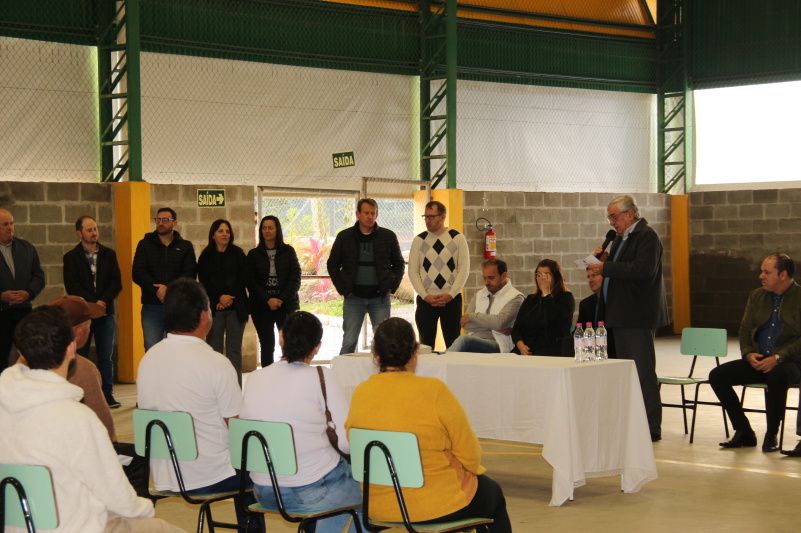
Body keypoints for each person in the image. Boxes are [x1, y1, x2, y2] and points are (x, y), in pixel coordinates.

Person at [0, 306, 182, 532]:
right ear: (71, 348)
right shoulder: (76, 417)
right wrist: (145, 511)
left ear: (22, 353)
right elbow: (117, 496)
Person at [346, 317, 511, 532]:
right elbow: (470, 455)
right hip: (437, 506)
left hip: (379, 507)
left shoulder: (361, 393)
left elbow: (353, 441)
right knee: (492, 493)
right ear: (415, 352)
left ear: (376, 356)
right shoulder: (434, 391)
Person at [136, 278, 263, 532]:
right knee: (260, 464)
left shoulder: (148, 359)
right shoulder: (215, 363)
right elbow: (238, 429)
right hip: (209, 476)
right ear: (205, 315)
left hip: (165, 474)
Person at [241, 311, 361, 532]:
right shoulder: (321, 377)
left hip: (263, 490)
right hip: (309, 490)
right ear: (317, 347)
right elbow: (346, 442)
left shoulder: (255, 378)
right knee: (369, 497)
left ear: (281, 338)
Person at [587, 194, 668, 442]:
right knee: (626, 373)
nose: (611, 222)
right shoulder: (622, 238)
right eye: (609, 217)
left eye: (614, 216)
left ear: (630, 214)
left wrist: (607, 268)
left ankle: (651, 426)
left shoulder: (646, 236)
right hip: (619, 315)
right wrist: (605, 261)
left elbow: (643, 270)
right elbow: (625, 268)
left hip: (635, 315)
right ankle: (632, 422)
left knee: (642, 371)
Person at [51, 295, 150, 498]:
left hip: (36, 460)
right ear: (80, 331)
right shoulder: (83, 368)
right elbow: (105, 427)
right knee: (140, 457)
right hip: (74, 460)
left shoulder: (22, 363)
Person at [710, 253, 801, 453]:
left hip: (791, 363)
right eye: (761, 271)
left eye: (767, 272)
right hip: (759, 360)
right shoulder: (757, 296)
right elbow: (744, 330)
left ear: (783, 275)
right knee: (717, 376)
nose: (761, 276)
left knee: (777, 375)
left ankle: (771, 434)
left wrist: (778, 357)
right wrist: (749, 353)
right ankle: (744, 431)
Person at [327, 198, 405, 354]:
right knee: (349, 341)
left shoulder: (388, 236)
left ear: (377, 215)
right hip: (353, 298)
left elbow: (399, 264)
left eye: (373, 213)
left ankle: (384, 375)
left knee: (385, 342)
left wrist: (391, 286)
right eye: (366, 213)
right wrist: (343, 288)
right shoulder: (344, 236)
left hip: (380, 299)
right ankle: (343, 377)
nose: (370, 216)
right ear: (358, 214)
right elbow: (332, 264)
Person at [63, 215, 123, 407]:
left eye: (95, 229)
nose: (94, 233)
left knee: (106, 356)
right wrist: (91, 304)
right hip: (82, 315)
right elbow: (72, 285)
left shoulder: (109, 254)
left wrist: (102, 301)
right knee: (80, 354)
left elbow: (116, 282)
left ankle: (107, 394)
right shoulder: (71, 258)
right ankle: (79, 394)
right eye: (89, 230)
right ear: (79, 233)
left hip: (105, 313)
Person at [132, 207, 197, 351]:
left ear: (174, 223)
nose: (161, 223)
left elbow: (190, 274)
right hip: (152, 306)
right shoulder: (144, 244)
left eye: (165, 220)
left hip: (177, 307)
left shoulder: (185, 246)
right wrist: (159, 289)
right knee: (152, 349)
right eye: (158, 220)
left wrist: (169, 289)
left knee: (176, 349)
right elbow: (137, 273)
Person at [409, 200, 469, 349]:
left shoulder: (457, 238)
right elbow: (413, 271)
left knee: (453, 344)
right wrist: (425, 296)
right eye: (426, 217)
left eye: (432, 216)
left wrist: (451, 294)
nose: (427, 220)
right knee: (426, 346)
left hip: (451, 300)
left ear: (442, 217)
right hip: (426, 301)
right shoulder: (419, 240)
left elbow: (464, 269)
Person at [198, 219, 248, 382]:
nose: (225, 234)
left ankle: (235, 391)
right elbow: (204, 281)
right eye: (220, 231)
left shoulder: (238, 253)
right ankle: (216, 390)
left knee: (234, 352)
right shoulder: (205, 256)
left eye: (227, 231)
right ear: (213, 235)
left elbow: (243, 278)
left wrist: (228, 298)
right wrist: (219, 298)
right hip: (215, 309)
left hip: (236, 308)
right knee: (215, 351)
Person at [247, 215, 301, 367]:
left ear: (277, 230)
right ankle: (268, 379)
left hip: (285, 305)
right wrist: (267, 300)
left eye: (270, 227)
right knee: (267, 345)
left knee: (289, 344)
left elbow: (295, 278)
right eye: (264, 228)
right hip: (261, 306)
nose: (267, 231)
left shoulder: (288, 251)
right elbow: (251, 282)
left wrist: (281, 299)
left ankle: (289, 378)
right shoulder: (253, 255)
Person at [0, 207, 45, 373]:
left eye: (11, 223)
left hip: (23, 313)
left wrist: (29, 293)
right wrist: (1, 296)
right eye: (5, 224)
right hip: (1, 313)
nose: (10, 227)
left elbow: (39, 276)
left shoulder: (26, 248)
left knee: (30, 356)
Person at [448, 259, 524, 353]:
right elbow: (465, 324)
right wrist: (493, 325)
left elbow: (499, 323)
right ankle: (444, 361)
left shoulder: (516, 297)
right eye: (484, 278)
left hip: (498, 343)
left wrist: (473, 317)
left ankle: (443, 362)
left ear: (504, 276)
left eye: (491, 278)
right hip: (475, 339)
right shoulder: (480, 294)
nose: (487, 282)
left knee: (464, 341)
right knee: (464, 341)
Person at [511, 259, 575, 356]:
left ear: (555, 277)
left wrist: (546, 293)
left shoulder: (566, 298)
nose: (542, 278)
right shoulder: (530, 299)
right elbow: (516, 328)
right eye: (539, 274)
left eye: (546, 274)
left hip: (550, 351)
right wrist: (520, 345)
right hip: (524, 351)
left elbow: (550, 322)